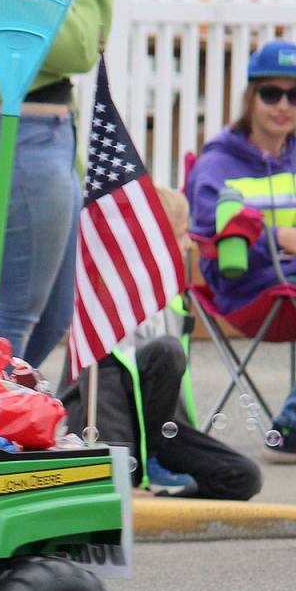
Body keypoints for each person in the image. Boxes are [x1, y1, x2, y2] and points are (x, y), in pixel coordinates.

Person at [0, 0, 112, 367]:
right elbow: (81, 47)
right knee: (14, 317)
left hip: (42, 139)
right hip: (21, 141)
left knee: (53, 316)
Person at [60, 187, 262, 500]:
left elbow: (168, 393)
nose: (190, 243)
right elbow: (102, 390)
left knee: (244, 477)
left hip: (156, 430)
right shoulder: (105, 297)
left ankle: (160, 498)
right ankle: (126, 483)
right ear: (155, 242)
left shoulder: (173, 298)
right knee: (166, 350)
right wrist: (120, 472)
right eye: (183, 234)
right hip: (102, 434)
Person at [186, 40, 296, 462]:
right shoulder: (218, 162)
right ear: (251, 97)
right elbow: (210, 226)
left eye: (293, 94)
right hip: (246, 288)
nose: (282, 105)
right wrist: (276, 236)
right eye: (271, 93)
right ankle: (291, 423)